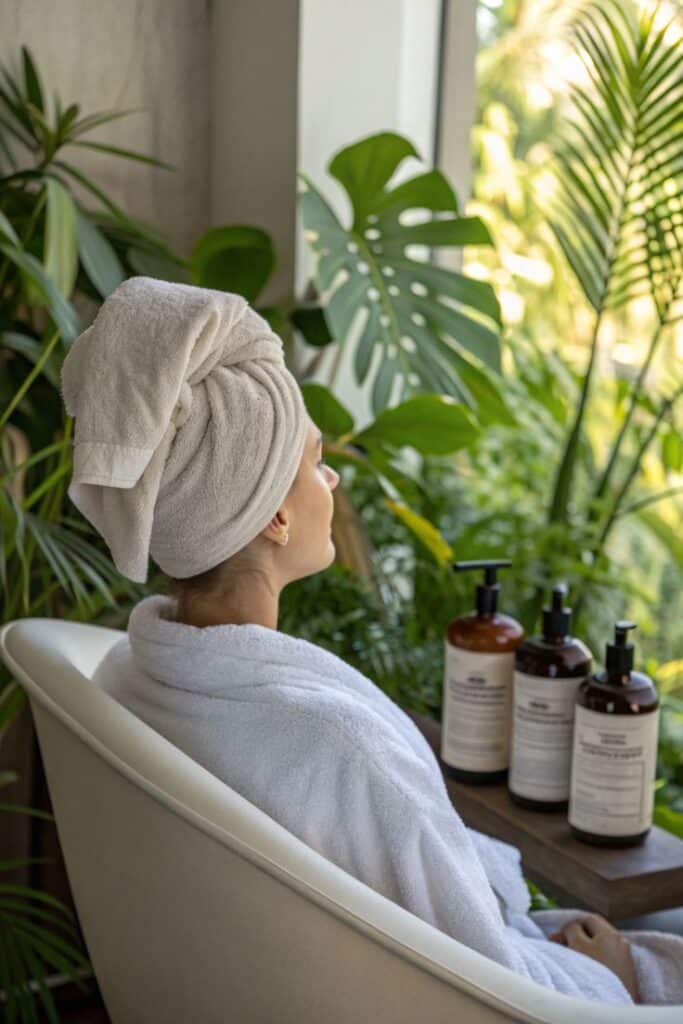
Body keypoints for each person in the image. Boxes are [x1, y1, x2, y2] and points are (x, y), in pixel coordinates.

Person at [61, 277, 683, 1007]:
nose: (330, 478)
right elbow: (493, 982)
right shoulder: (333, 746)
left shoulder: (128, 676)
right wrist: (609, 975)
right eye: (314, 463)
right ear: (274, 520)